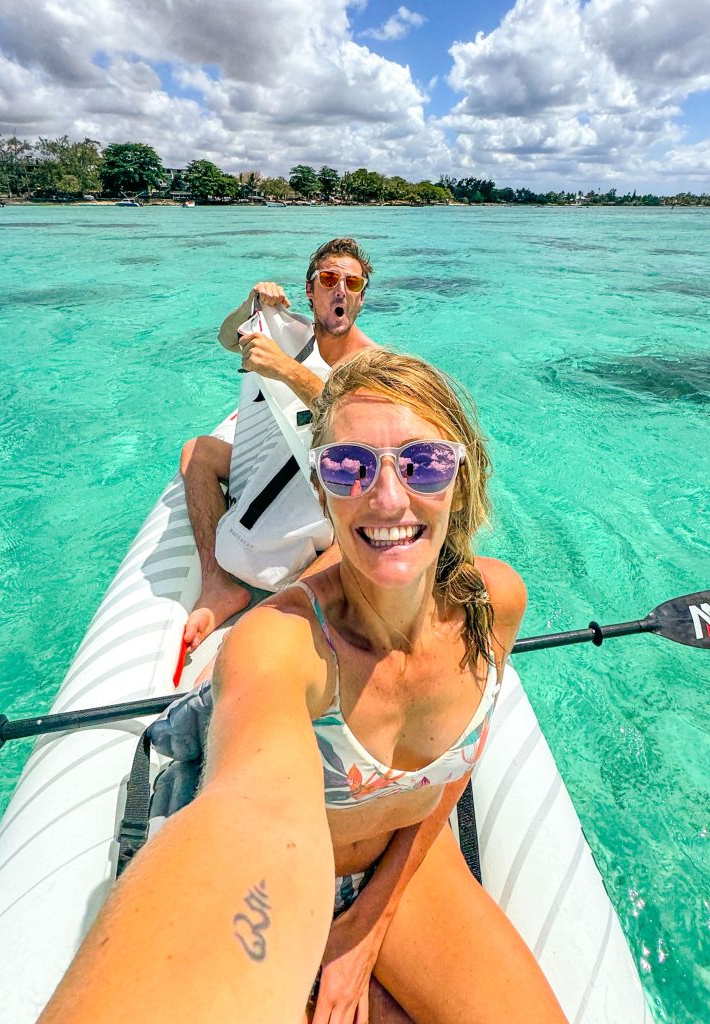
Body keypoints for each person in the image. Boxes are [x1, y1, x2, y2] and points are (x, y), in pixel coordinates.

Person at [43, 349, 568, 1023]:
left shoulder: (493, 604)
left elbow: (445, 783)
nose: (386, 497)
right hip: (294, 880)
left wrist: (366, 928)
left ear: (459, 483)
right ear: (322, 491)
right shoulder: (283, 644)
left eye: (424, 463)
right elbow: (251, 813)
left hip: (403, 867)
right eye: (349, 467)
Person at [179, 237, 376, 654]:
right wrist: (252, 301)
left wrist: (285, 370)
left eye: (353, 284)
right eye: (329, 279)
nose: (341, 290)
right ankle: (217, 585)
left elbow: (355, 426)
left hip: (326, 488)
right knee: (197, 450)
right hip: (280, 460)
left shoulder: (372, 364)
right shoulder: (291, 333)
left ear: (360, 299)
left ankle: (283, 612)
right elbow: (227, 338)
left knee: (362, 531)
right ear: (311, 289)